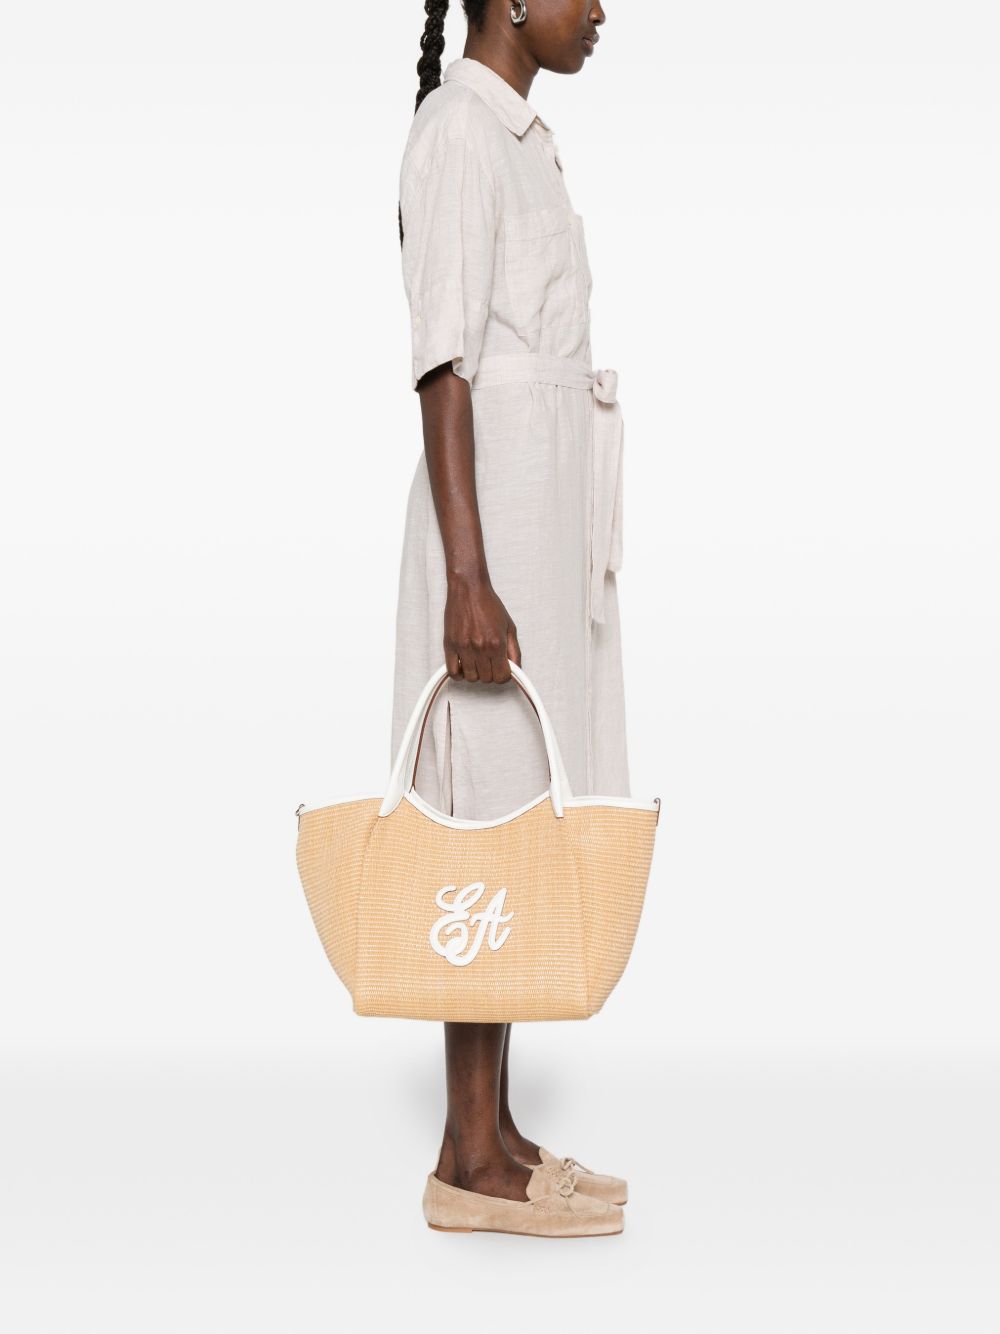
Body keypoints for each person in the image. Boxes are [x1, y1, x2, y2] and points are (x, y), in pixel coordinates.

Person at [394, 1, 631, 1237]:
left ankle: (481, 1130)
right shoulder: (455, 129)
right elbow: (443, 367)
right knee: (477, 826)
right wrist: (467, 577)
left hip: (539, 520)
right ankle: (468, 1159)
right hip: (489, 538)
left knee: (523, 819)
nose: (600, 10)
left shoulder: (524, 138)